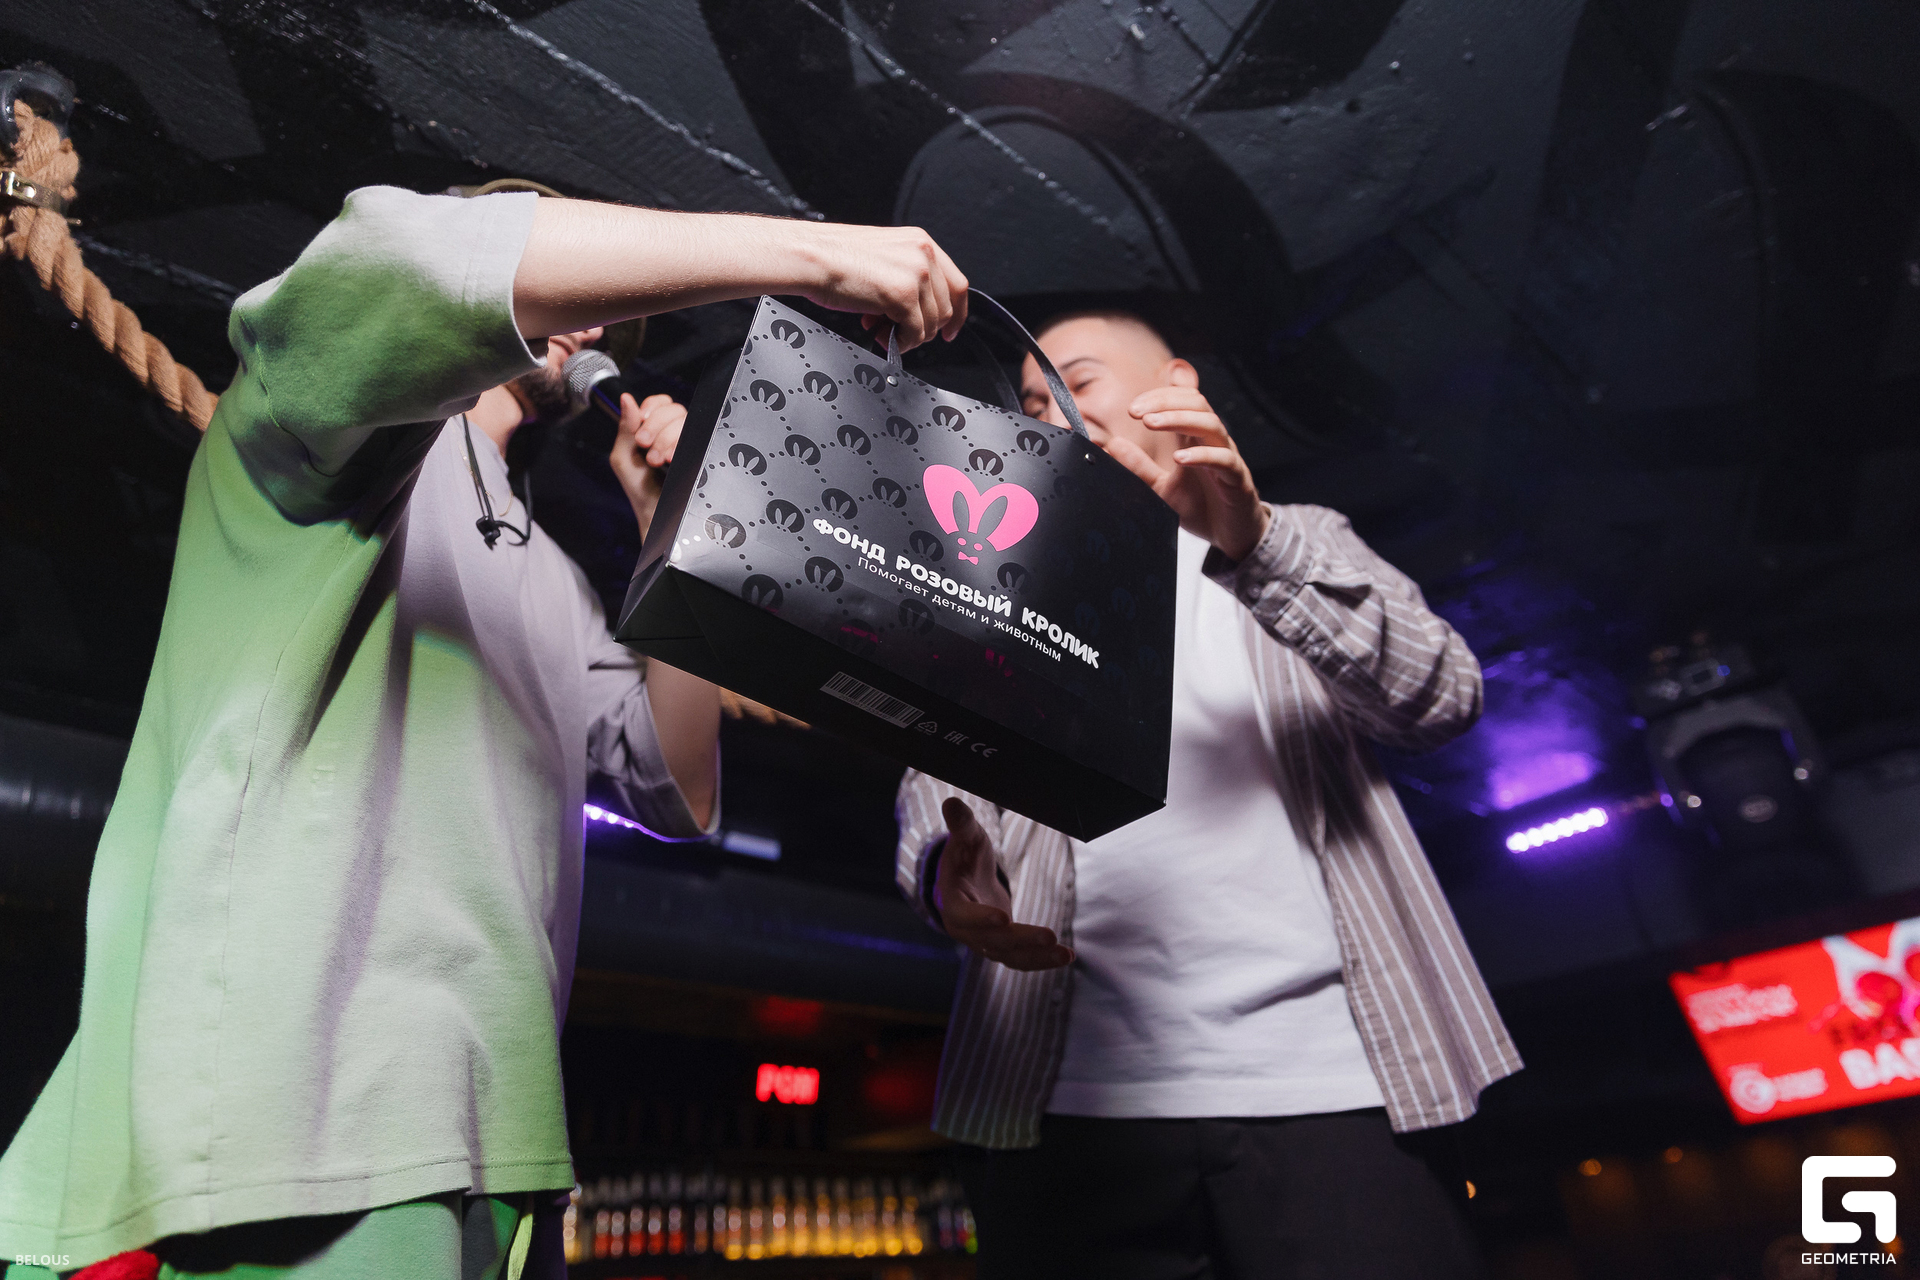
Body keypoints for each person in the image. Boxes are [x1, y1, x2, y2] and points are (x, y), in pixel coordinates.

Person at [0, 185, 968, 1279]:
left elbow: (677, 784)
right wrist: (818, 257)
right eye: (576, 287)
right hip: (309, 1111)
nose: (596, 326)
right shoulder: (323, 441)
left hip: (498, 1134)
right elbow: (400, 260)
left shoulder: (549, 576)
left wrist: (672, 528)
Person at [895, 312, 1519, 1279]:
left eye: (1076, 381)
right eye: (1030, 404)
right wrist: (945, 872)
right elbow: (935, 774)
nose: (1047, 413)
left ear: (1176, 383)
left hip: (1335, 1089)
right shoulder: (1006, 590)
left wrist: (1257, 546)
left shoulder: (1306, 539)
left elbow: (1439, 700)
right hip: (1070, 1106)